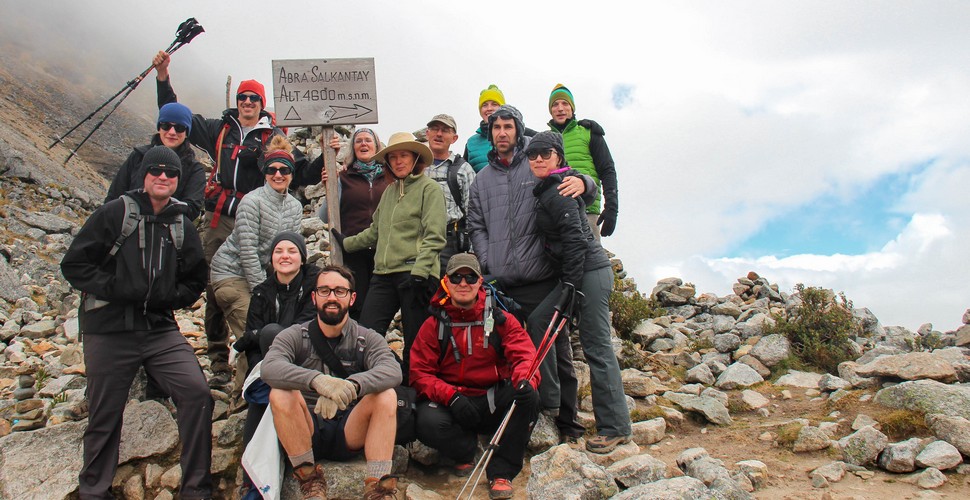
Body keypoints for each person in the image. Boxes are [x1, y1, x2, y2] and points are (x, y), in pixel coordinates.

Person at [61, 146, 212, 499]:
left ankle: (195, 488)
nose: (163, 177)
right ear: (144, 175)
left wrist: (167, 297)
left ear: (178, 180)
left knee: (197, 393)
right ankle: (94, 491)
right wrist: (116, 288)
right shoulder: (115, 214)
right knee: (104, 413)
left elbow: (195, 279)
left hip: (158, 329)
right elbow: (75, 265)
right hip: (110, 329)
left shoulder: (181, 225)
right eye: (156, 171)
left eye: (171, 173)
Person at [153, 50, 308, 387]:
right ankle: (217, 355)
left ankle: (254, 356)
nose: (247, 102)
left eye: (253, 97)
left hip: (259, 212)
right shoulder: (221, 129)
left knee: (259, 275)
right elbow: (178, 118)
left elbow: (298, 166)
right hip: (221, 216)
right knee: (215, 282)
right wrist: (163, 77)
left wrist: (329, 163)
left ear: (262, 102)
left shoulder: (272, 136)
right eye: (242, 97)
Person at [466, 104, 594, 440]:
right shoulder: (480, 180)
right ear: (490, 133)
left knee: (557, 350)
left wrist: (584, 182)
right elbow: (475, 224)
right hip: (502, 281)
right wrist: (487, 261)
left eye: (509, 126)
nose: (503, 133)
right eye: (497, 128)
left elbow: (576, 181)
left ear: (519, 130)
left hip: (541, 275)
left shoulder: (537, 163)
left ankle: (567, 421)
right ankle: (524, 418)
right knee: (506, 353)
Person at [526, 131, 633, 453]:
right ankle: (551, 401)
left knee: (596, 346)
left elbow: (575, 238)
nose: (539, 159)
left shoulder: (560, 188)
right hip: (576, 274)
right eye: (532, 155)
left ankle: (615, 427)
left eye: (545, 153)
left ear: (559, 155)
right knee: (538, 322)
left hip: (590, 272)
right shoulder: (551, 187)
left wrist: (571, 285)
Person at [260, 265, 402, 500]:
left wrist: (352, 385)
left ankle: (377, 488)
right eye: (325, 291)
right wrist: (317, 381)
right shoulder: (295, 335)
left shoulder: (367, 338)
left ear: (352, 297)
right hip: (307, 426)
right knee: (280, 393)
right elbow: (270, 367)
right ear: (314, 297)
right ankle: (310, 481)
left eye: (340, 291)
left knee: (386, 395)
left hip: (349, 427)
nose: (332, 297)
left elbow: (392, 371)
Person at [410, 253, 540, 500]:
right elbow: (420, 373)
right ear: (446, 282)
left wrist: (525, 380)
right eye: (456, 277)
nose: (463, 283)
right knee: (426, 421)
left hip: (492, 398)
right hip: (453, 403)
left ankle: (501, 471)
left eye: (470, 277)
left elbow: (525, 356)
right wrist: (451, 397)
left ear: (480, 281)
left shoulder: (501, 319)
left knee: (528, 396)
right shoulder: (434, 324)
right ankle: (466, 450)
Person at [331, 132, 446, 381]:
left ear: (416, 158)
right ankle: (391, 376)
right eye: (393, 157)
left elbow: (435, 236)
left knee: (416, 340)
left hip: (416, 274)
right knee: (366, 334)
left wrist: (420, 272)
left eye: (403, 155)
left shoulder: (430, 189)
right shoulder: (390, 192)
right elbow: (374, 231)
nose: (398, 161)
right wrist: (347, 243)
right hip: (382, 274)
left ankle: (416, 390)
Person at [208, 136, 304, 389]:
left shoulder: (295, 207)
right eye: (272, 169)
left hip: (261, 276)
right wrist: (264, 295)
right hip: (231, 274)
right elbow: (248, 251)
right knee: (255, 334)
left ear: (292, 173)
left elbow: (290, 249)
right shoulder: (251, 201)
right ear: (264, 172)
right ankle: (245, 397)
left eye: (284, 170)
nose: (278, 174)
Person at [233, 231, 321, 498]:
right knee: (265, 390)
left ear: (302, 257)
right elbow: (251, 346)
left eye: (292, 251)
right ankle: (254, 483)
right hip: (271, 372)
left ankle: (254, 485)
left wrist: (256, 338)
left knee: (271, 333)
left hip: (305, 362)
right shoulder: (261, 292)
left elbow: (303, 329)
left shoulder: (315, 285)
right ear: (271, 258)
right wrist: (262, 365)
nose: (285, 256)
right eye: (279, 251)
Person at [308, 128, 389, 321]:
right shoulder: (343, 177)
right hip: (352, 250)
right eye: (358, 140)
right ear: (352, 148)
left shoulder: (389, 177)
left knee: (379, 304)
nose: (363, 144)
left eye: (368, 140)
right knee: (356, 303)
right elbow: (324, 216)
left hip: (383, 249)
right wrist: (331, 187)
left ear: (377, 146)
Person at [105, 102, 206, 221]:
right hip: (125, 226)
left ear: (187, 132)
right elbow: (114, 194)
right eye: (166, 126)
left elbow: (192, 209)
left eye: (179, 128)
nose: (172, 132)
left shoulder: (195, 169)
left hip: (167, 232)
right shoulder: (138, 156)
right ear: (159, 127)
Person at [547, 84, 619, 239]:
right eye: (555, 104)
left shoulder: (589, 132)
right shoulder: (546, 140)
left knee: (592, 261)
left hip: (587, 211)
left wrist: (612, 207)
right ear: (550, 110)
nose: (560, 108)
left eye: (565, 103)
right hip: (556, 215)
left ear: (572, 108)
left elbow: (607, 169)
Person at [422, 114, 476, 273]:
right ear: (427, 134)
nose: (439, 134)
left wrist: (472, 251)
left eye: (445, 130)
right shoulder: (416, 166)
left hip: (450, 243)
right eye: (435, 129)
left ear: (454, 138)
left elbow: (474, 214)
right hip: (417, 241)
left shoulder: (463, 170)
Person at [463, 84, 506, 173]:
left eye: (494, 104)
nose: (489, 108)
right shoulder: (471, 142)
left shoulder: (518, 134)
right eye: (485, 105)